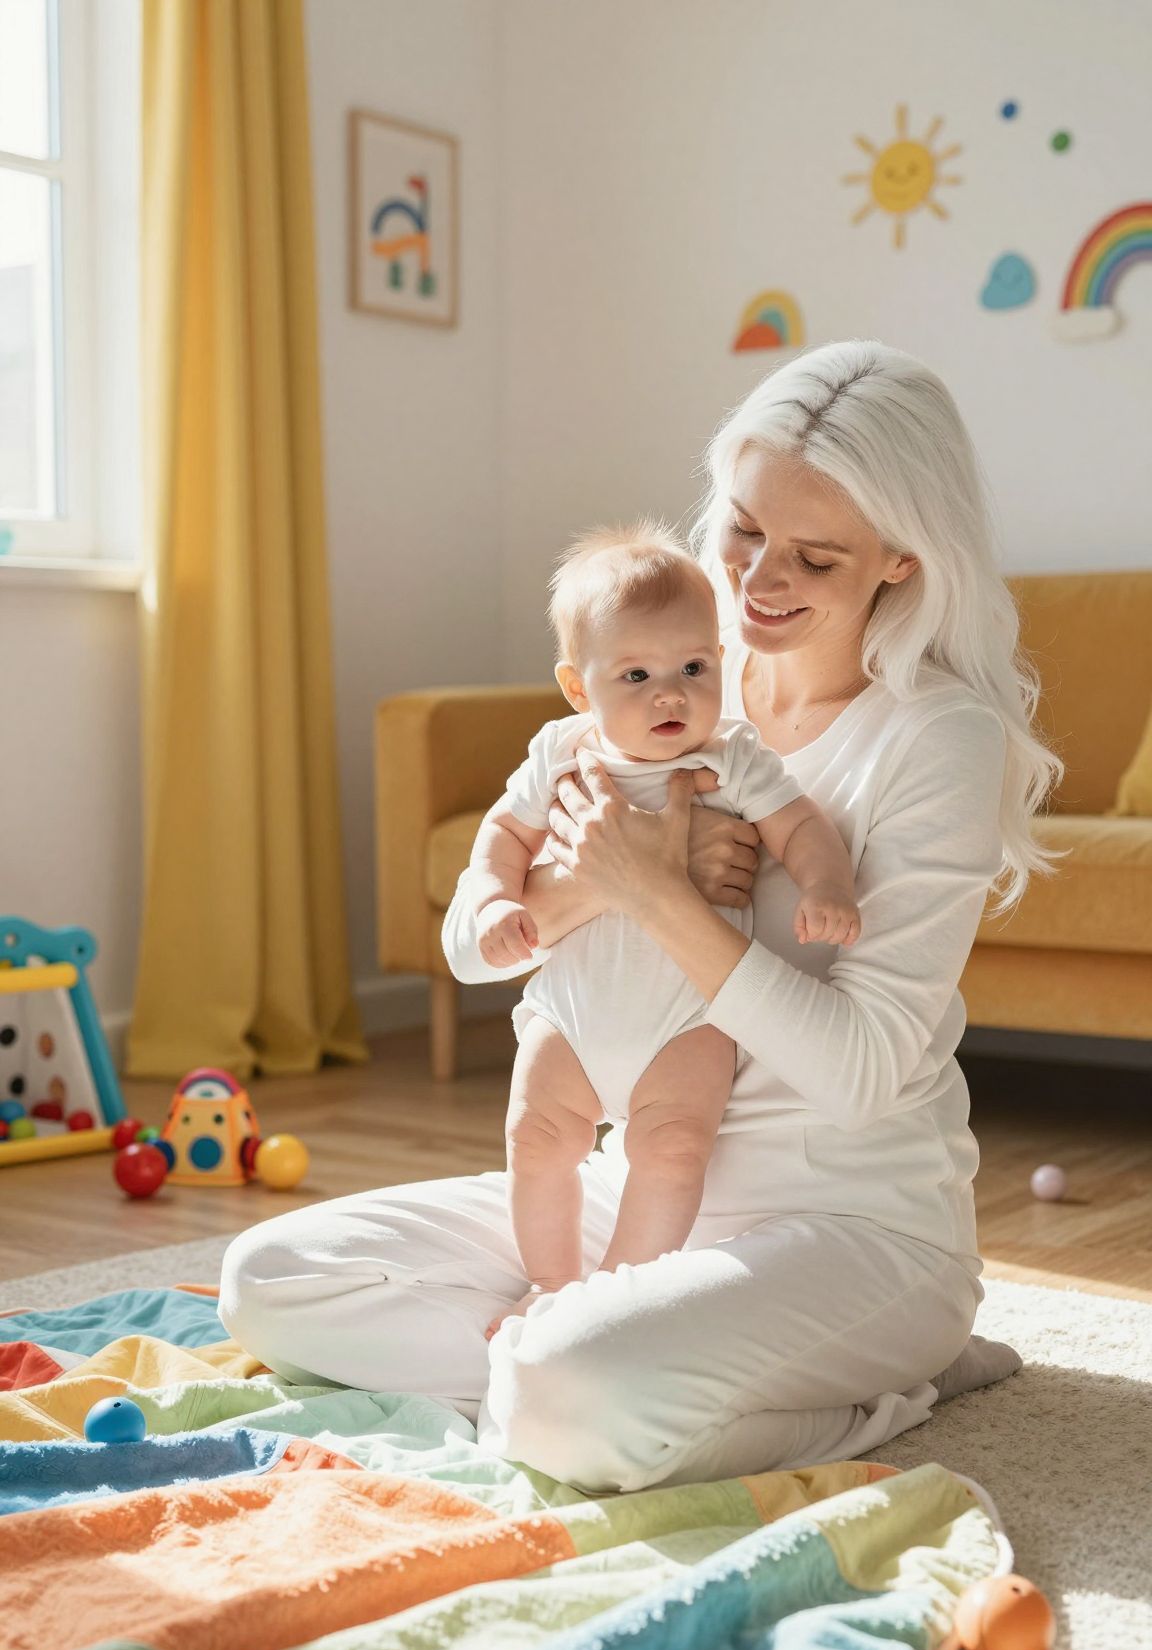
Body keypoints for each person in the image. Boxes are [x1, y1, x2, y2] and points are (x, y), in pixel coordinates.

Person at [219, 340, 1059, 1495]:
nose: (760, 578)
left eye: (814, 556)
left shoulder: (934, 735)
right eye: (744, 529)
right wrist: (604, 882)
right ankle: (594, 1371)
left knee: (565, 1393)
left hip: (854, 1226)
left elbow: (861, 1072)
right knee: (270, 1277)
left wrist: (664, 895)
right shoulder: (668, 673)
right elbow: (481, 937)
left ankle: (885, 1386)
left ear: (901, 560)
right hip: (648, 1193)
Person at [472, 520, 860, 1334]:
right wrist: (496, 901)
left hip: (688, 1019)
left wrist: (826, 883)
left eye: (692, 668)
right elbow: (503, 833)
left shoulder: (732, 756)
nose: (671, 695)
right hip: (571, 1013)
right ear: (579, 689)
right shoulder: (561, 751)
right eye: (637, 675)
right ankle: (550, 1282)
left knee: (675, 1150)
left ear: (719, 658)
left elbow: (801, 826)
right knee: (535, 1137)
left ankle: (615, 1294)